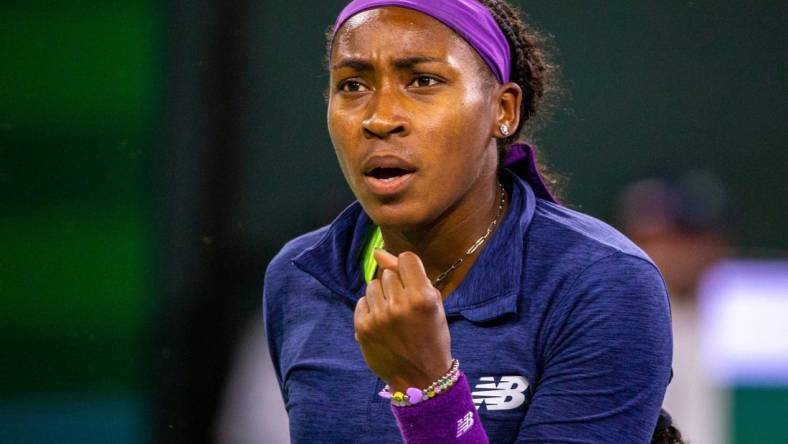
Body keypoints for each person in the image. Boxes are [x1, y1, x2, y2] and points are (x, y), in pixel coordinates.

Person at [264, 1, 673, 442]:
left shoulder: (603, 284)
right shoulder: (298, 277)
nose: (380, 118)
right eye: (352, 85)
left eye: (423, 81)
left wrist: (427, 386)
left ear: (504, 110)